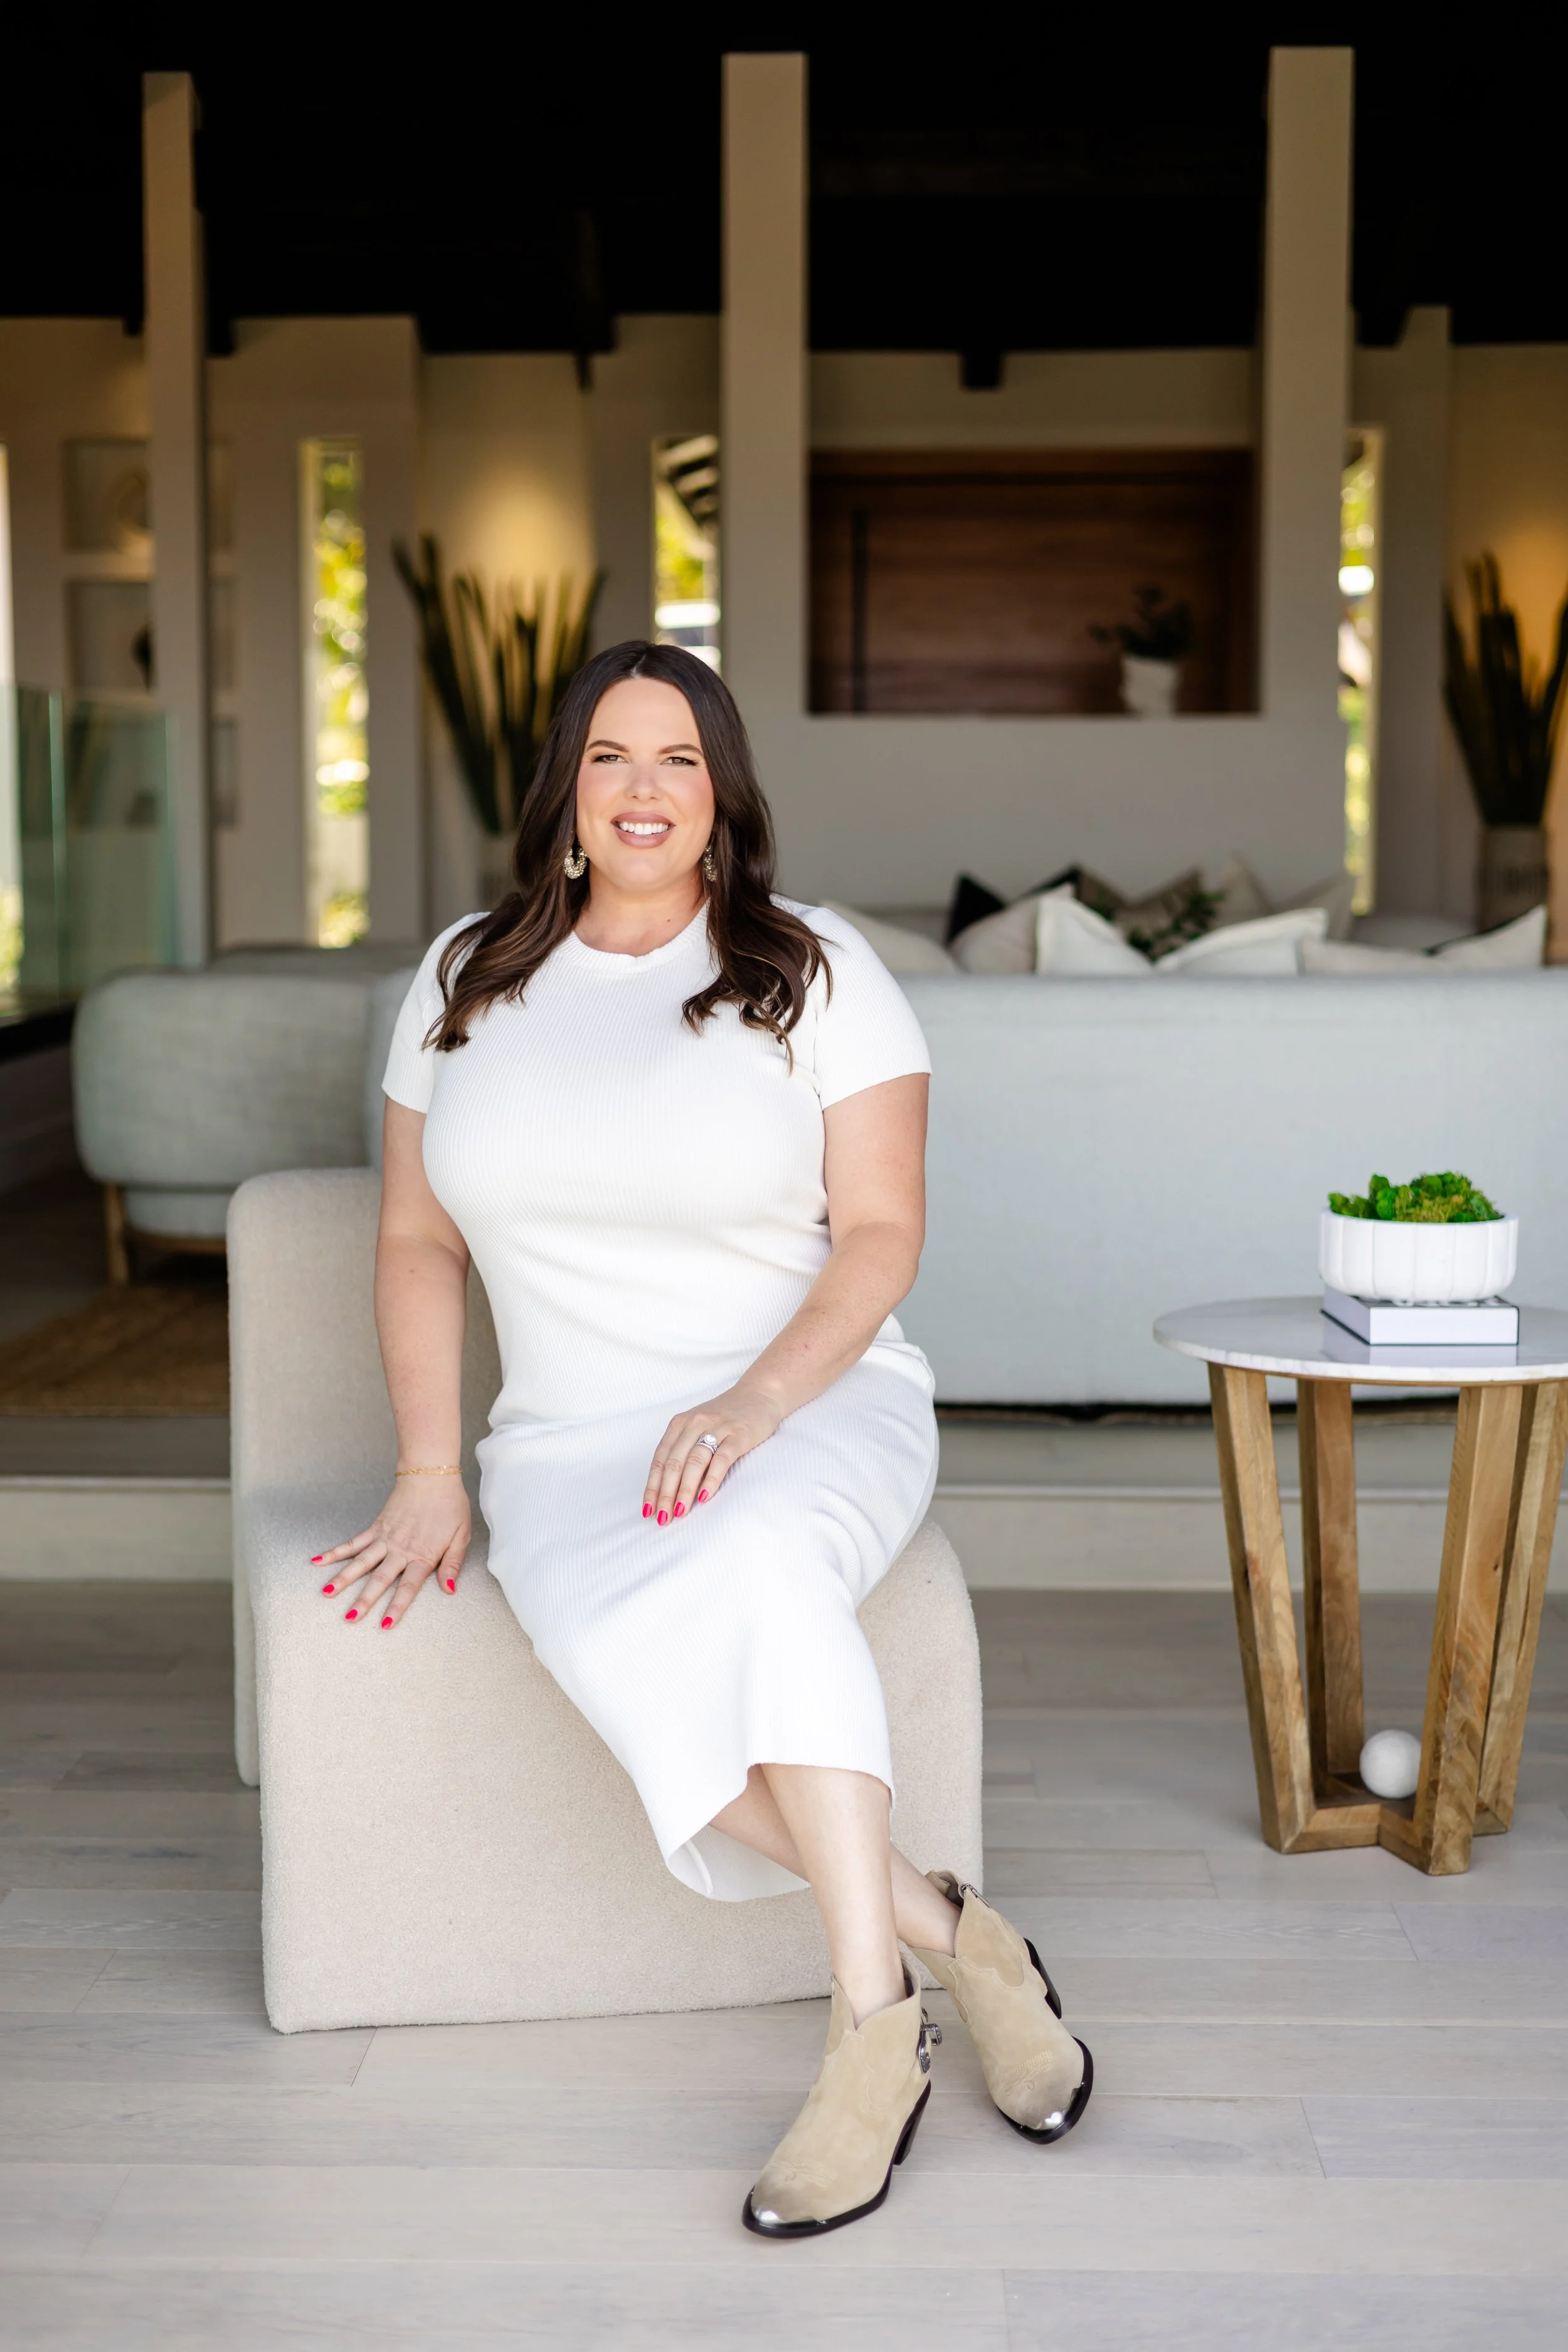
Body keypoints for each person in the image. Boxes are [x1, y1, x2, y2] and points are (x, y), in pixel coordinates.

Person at [313, 641, 1091, 2236]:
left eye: (679, 758)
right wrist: (423, 1467)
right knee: (667, 1689)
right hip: (564, 1444)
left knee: (753, 1561)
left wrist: (752, 1405)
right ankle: (962, 1936)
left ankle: (869, 2037)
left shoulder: (815, 970)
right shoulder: (465, 976)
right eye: (610, 756)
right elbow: (414, 1241)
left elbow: (880, 1234)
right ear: (566, 793)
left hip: (810, 1399)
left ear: (723, 794)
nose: (644, 788)